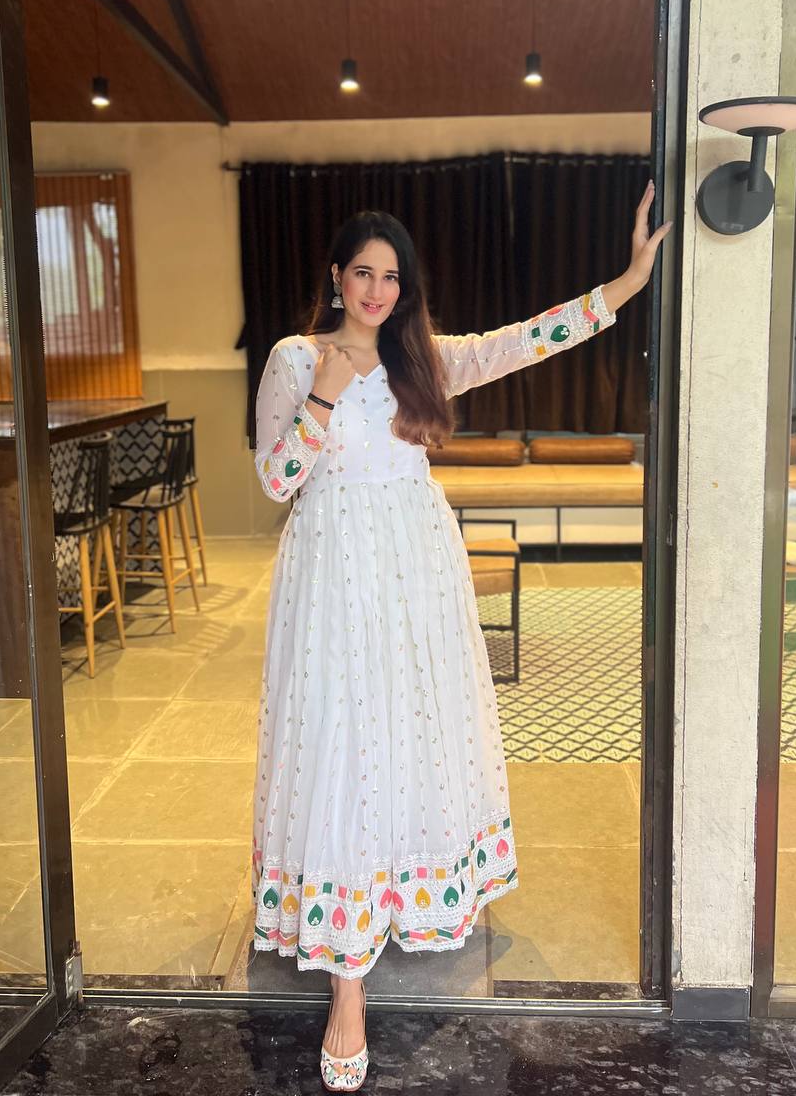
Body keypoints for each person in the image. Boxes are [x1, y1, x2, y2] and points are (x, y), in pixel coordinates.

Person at [251, 184, 671, 1091]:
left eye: (391, 277)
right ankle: (347, 986)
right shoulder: (295, 357)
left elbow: (528, 339)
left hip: (417, 570)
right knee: (339, 745)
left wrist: (629, 282)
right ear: (336, 275)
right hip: (331, 572)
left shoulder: (424, 359)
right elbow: (276, 481)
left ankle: (403, 894)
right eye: (364, 273)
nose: (377, 290)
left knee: (413, 738)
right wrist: (322, 397)